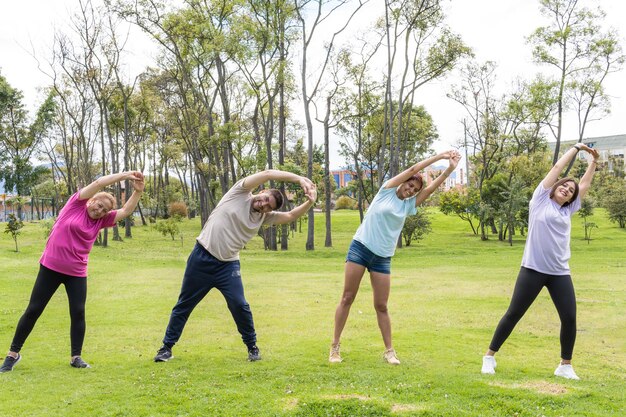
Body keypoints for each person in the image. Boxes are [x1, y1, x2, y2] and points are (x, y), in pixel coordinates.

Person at [153, 169, 316, 363]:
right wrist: (299, 178)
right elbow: (268, 173)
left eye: (267, 206)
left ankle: (252, 347)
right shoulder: (240, 192)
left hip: (228, 266)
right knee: (185, 304)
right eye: (265, 199)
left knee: (239, 305)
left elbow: (289, 216)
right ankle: (166, 348)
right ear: (262, 191)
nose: (263, 204)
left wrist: (310, 202)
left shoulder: (264, 217)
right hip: (201, 257)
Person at [0, 171, 145, 372]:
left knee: (78, 312)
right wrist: (125, 176)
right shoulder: (75, 205)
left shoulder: (101, 221)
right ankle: (12, 355)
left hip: (76, 272)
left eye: (104, 210)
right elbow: (98, 182)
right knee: (34, 309)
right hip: (51, 267)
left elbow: (126, 210)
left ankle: (76, 357)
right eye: (99, 205)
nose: (99, 210)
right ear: (91, 200)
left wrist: (137, 191)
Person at [329, 150, 461, 364]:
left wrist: (449, 169)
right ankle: (335, 347)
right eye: (409, 185)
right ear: (403, 182)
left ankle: (389, 351)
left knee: (381, 305)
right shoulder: (386, 190)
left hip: (382, 257)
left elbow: (431, 189)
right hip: (360, 248)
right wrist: (440, 157)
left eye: (414, 189)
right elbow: (413, 170)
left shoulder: (409, 205)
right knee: (347, 297)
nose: (411, 190)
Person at [481, 143, 599, 380]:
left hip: (559, 273)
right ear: (555, 188)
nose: (567, 189)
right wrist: (576, 149)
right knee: (514, 313)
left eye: (570, 190)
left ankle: (565, 365)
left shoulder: (568, 210)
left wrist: (594, 162)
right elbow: (557, 167)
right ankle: (489, 357)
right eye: (564, 185)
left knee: (569, 317)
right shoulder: (540, 201)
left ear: (571, 199)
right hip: (533, 269)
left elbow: (584, 184)